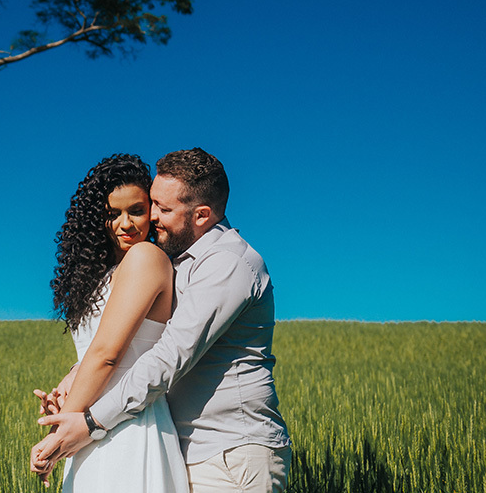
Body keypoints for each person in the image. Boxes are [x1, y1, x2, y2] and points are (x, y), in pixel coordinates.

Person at [32, 149, 292, 493]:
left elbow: (170, 354)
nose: (152, 217)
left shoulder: (227, 263)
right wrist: (75, 380)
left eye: (162, 209)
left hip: (230, 453)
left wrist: (87, 422)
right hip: (180, 444)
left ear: (202, 215)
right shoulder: (179, 261)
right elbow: (125, 342)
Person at [33, 154, 189, 492]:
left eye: (136, 210)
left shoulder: (146, 258)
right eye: (112, 214)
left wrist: (58, 434)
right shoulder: (104, 275)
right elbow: (93, 351)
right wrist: (66, 390)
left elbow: (107, 354)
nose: (126, 224)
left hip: (129, 427)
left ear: (152, 210)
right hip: (89, 425)